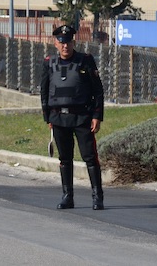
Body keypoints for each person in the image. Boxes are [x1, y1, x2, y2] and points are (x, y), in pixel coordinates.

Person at [40, 25, 105, 210]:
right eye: (61, 42)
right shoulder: (49, 63)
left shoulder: (85, 61)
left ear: (73, 42)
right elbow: (44, 92)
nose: (65, 46)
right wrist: (48, 119)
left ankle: (97, 196)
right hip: (59, 118)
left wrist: (97, 116)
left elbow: (98, 91)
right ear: (55, 44)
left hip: (82, 118)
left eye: (67, 42)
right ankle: (67, 196)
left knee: (90, 157)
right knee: (65, 158)